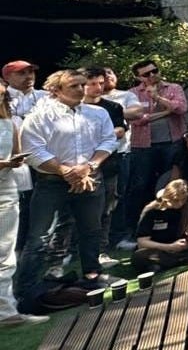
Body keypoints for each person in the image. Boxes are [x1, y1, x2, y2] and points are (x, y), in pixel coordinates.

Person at [16, 70, 117, 304]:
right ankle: (27, 288)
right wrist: (66, 171)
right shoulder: (39, 117)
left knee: (91, 229)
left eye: (83, 84)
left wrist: (89, 167)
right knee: (40, 237)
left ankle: (92, 275)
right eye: (74, 86)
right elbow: (33, 150)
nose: (81, 89)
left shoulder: (98, 113)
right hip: (51, 182)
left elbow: (109, 141)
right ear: (55, 89)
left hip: (90, 177)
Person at [43, 67, 128, 276]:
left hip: (105, 168)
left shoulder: (111, 107)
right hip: (68, 173)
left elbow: (116, 133)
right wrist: (71, 171)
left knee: (103, 214)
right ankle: (57, 261)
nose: (97, 87)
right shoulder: (53, 113)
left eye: (101, 83)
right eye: (90, 84)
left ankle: (98, 255)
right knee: (65, 219)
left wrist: (92, 163)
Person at [125, 59, 188, 251]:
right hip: (143, 146)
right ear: (138, 77)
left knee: (170, 184)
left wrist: (158, 98)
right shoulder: (132, 94)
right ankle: (138, 229)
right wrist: (166, 112)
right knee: (141, 186)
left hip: (172, 143)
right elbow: (136, 120)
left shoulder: (173, 88)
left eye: (154, 71)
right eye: (146, 74)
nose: (152, 75)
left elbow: (181, 108)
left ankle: (174, 226)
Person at [0, 88, 49, 326]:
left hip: (6, 190)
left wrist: (15, 160)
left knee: (5, 253)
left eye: (2, 94)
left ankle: (6, 311)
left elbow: (17, 154)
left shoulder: (9, 123)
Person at [4, 60, 47, 257]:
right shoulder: (3, 97)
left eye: (31, 72)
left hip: (44, 159)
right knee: (19, 207)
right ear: (7, 77)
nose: (29, 76)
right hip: (15, 162)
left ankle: (38, 250)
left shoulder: (46, 97)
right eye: (21, 73)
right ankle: (17, 249)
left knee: (42, 209)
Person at [132, 179, 188, 272]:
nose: (180, 203)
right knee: (139, 256)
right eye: (176, 200)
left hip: (183, 245)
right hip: (160, 248)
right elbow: (142, 242)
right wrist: (170, 247)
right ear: (167, 197)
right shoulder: (152, 211)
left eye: (183, 200)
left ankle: (172, 261)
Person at [101, 67, 143, 251]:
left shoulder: (125, 96)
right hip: (92, 155)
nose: (108, 77)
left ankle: (118, 237)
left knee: (119, 196)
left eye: (111, 73)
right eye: (103, 75)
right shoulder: (86, 99)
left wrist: (110, 112)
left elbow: (137, 113)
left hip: (121, 152)